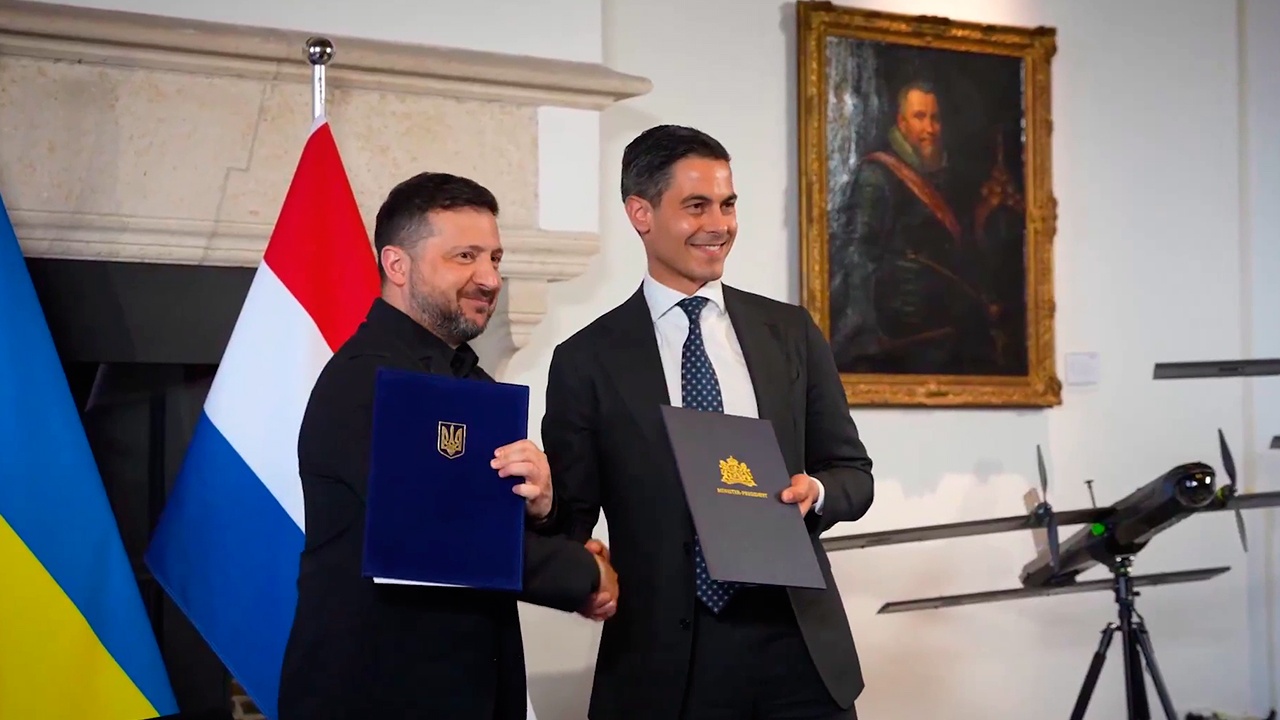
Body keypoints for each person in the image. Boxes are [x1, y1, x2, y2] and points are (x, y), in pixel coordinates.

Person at [538, 125, 875, 720]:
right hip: (667, 662)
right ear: (641, 213)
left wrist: (816, 492)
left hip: (798, 648)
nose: (718, 224)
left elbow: (853, 473)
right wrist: (557, 528)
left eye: (727, 204)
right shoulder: (586, 359)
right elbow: (571, 517)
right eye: (696, 206)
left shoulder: (790, 332)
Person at [277, 171, 618, 720]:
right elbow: (441, 535)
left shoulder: (470, 383)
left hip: (465, 686)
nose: (490, 278)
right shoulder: (370, 379)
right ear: (397, 265)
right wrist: (583, 575)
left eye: (495, 258)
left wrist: (544, 506)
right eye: (465, 257)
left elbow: (485, 519)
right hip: (376, 696)